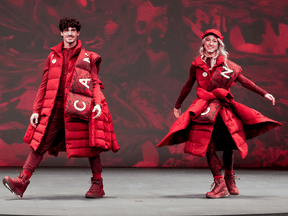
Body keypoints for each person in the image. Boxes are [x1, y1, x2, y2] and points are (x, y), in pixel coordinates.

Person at [3, 17, 119, 198]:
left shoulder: (87, 57)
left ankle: (98, 185)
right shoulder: (52, 56)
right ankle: (22, 182)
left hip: (79, 105)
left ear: (78, 33)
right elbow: (44, 84)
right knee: (40, 143)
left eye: (73, 30)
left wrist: (96, 103)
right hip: (55, 108)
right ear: (61, 33)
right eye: (66, 30)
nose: (70, 33)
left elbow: (95, 83)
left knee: (90, 145)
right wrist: (36, 110)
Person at [157, 29, 281, 199]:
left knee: (228, 143)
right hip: (204, 109)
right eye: (207, 40)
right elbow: (188, 85)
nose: (210, 43)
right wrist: (178, 105)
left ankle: (229, 179)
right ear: (203, 44)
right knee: (206, 143)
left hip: (223, 108)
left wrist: (264, 93)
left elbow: (244, 81)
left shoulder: (227, 66)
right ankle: (219, 182)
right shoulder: (197, 64)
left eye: (214, 41)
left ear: (219, 45)